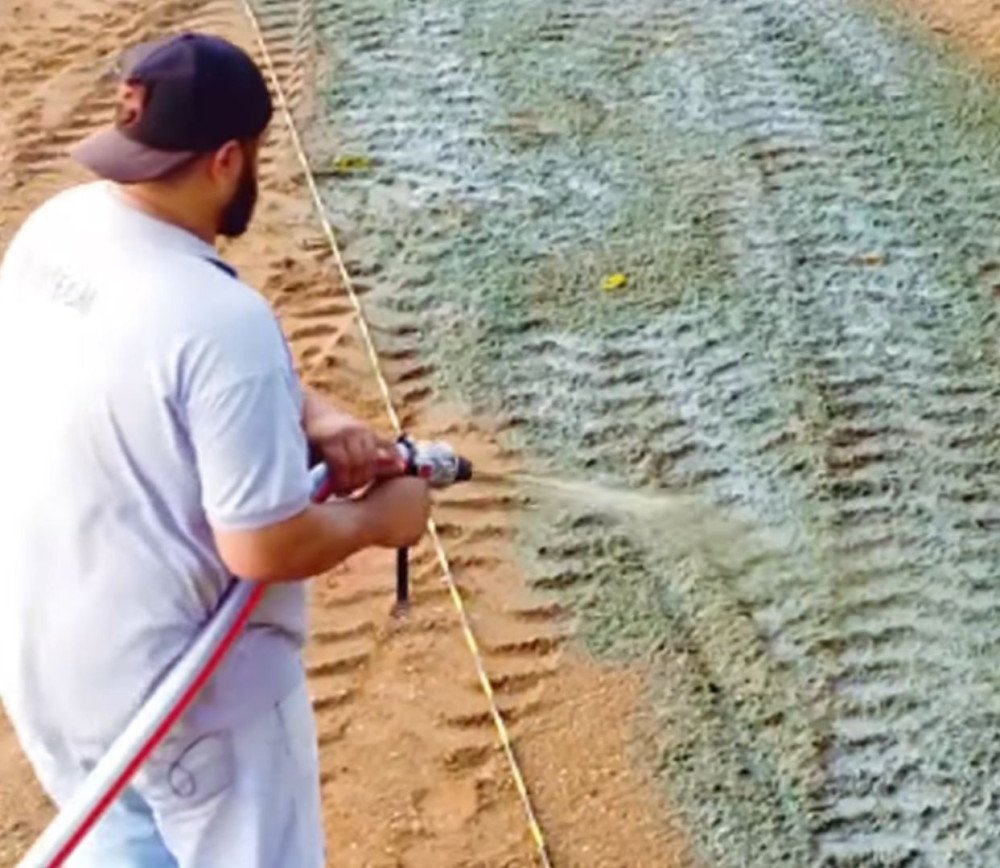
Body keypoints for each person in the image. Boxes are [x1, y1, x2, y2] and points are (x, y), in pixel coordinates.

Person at [0, 32, 430, 867]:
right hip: (189, 709)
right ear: (228, 159)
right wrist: (382, 519)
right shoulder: (223, 322)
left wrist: (309, 414)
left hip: (50, 669)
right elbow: (263, 542)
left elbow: (144, 367)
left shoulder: (57, 231)